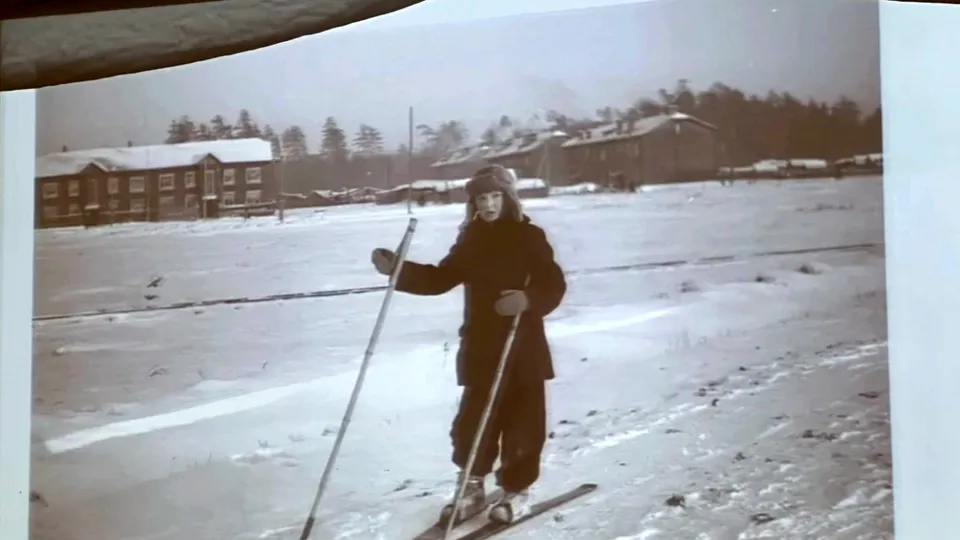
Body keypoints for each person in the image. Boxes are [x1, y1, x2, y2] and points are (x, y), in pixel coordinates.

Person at [370, 165, 566, 525]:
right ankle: (472, 486)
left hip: (521, 347)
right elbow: (440, 278)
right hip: (481, 347)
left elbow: (553, 285)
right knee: (473, 422)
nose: (488, 204)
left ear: (508, 198)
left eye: (495, 196)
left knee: (523, 423)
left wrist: (528, 299)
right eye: (481, 197)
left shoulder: (530, 237)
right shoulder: (472, 239)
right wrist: (399, 270)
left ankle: (517, 490)